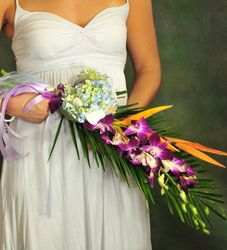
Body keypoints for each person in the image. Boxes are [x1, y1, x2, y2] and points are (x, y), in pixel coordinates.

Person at [0, 0, 161, 249]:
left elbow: (148, 68)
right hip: (39, 153)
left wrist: (121, 128)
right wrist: (8, 103)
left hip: (111, 154)